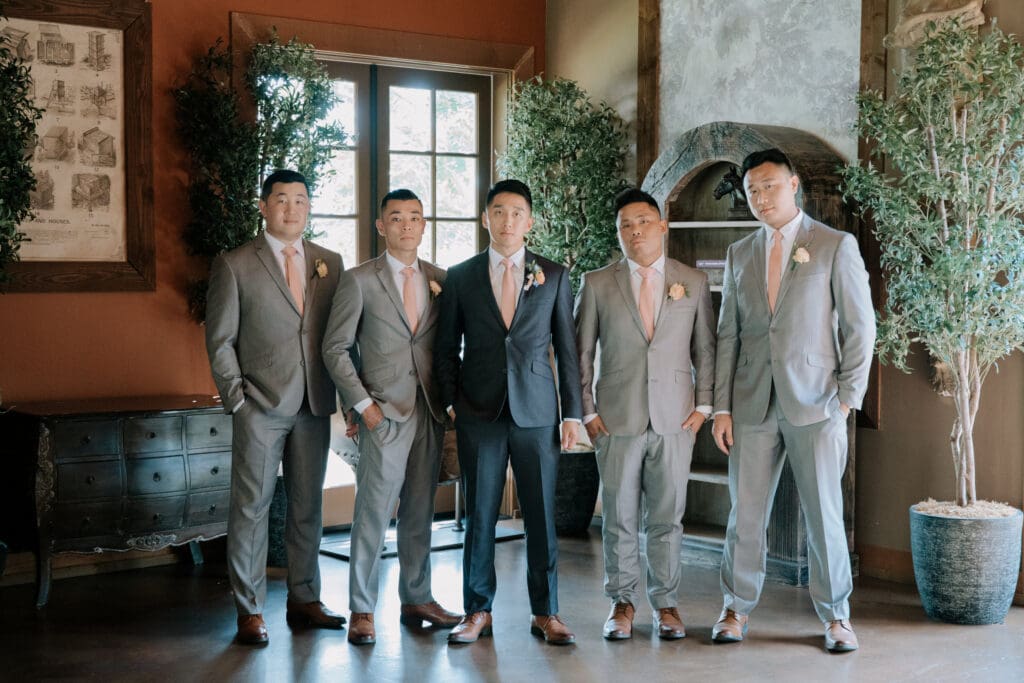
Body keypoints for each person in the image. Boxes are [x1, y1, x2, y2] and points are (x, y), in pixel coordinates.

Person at [710, 149, 875, 652]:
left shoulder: (834, 244)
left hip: (817, 404)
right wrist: (722, 407)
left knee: (824, 515)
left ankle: (836, 616)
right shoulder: (739, 253)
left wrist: (846, 400)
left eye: (769, 186)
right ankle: (735, 608)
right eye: (752, 191)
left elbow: (860, 327)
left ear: (794, 184)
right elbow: (728, 334)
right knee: (745, 515)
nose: (761, 198)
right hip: (751, 404)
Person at [434, 179, 583, 646]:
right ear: (485, 218)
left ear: (529, 221)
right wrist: (453, 401)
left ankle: (546, 612)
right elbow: (445, 348)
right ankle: (477, 610)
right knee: (480, 515)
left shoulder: (552, 275)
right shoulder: (461, 275)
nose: (507, 220)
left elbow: (568, 350)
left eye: (517, 212)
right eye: (498, 211)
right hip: (478, 411)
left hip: (537, 412)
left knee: (541, 515)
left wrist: (572, 414)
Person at [205, 169, 346, 646]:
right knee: (251, 508)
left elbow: (339, 335)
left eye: (300, 200)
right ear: (264, 206)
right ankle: (249, 610)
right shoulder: (235, 264)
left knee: (307, 506)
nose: (292, 208)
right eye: (282, 199)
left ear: (309, 207)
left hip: (314, 402)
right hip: (260, 406)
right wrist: (238, 400)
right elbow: (220, 340)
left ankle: (305, 598)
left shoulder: (330, 262)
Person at [574, 188, 716, 641]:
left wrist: (703, 408)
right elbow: (581, 354)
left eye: (642, 222)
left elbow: (706, 348)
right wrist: (587, 412)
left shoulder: (692, 281)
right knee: (618, 516)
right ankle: (621, 602)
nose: (635, 232)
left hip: (676, 419)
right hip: (615, 419)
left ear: (662, 226)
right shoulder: (597, 283)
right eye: (625, 226)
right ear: (618, 233)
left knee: (668, 516)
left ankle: (666, 603)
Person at [322, 189, 462, 645]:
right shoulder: (359, 280)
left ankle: (417, 597)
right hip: (383, 413)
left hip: (430, 410)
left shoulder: (442, 280)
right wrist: (363, 406)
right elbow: (335, 348)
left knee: (420, 511)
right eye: (397, 217)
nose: (406, 225)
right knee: (373, 513)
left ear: (424, 226)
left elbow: (449, 346)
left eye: (415, 217)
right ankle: (362, 608)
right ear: (381, 226)